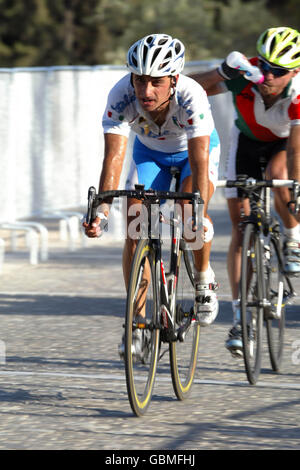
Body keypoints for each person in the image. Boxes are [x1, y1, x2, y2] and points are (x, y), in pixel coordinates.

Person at [83, 33, 221, 358]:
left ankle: (203, 279)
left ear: (173, 79)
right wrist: (101, 210)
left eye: (155, 82)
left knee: (189, 216)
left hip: (193, 154)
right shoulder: (120, 95)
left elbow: (200, 160)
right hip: (150, 154)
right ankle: (137, 322)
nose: (145, 91)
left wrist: (198, 211)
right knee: (135, 225)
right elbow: (114, 158)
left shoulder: (193, 95)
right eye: (139, 80)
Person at [189, 26, 300, 357]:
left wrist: (296, 190)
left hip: (286, 144)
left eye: (277, 71)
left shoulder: (297, 92)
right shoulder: (247, 73)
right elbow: (188, 90)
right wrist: (222, 72)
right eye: (264, 65)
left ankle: (293, 238)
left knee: (279, 174)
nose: (267, 75)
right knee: (241, 225)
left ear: (294, 71)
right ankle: (240, 317)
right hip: (246, 142)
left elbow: (296, 151)